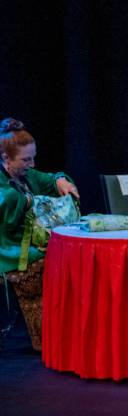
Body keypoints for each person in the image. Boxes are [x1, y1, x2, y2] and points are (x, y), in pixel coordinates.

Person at [0, 118, 80, 350]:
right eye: (26, 159)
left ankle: (67, 329)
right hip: (8, 247)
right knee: (50, 259)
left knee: (70, 252)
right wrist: (26, 200)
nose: (32, 164)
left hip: (25, 241)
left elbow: (50, 178)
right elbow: (6, 206)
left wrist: (61, 181)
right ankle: (45, 338)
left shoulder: (27, 175)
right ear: (6, 158)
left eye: (33, 157)